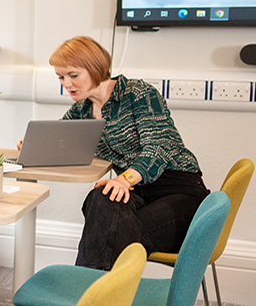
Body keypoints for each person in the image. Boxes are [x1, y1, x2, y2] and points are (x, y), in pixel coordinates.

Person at [49, 36, 210, 271]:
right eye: (61, 77)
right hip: (136, 194)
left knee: (114, 235)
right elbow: (62, 141)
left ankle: (86, 294)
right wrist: (36, 145)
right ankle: (96, 298)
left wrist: (124, 179)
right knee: (99, 197)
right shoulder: (81, 110)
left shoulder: (138, 93)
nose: (67, 83)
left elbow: (158, 148)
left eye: (74, 75)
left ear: (95, 68)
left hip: (178, 191)